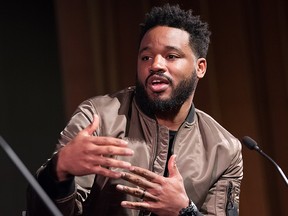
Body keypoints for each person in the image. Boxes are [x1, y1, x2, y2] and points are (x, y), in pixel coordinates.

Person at [26, 3, 243, 216]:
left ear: (200, 67)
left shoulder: (224, 149)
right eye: (146, 57)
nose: (155, 65)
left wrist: (184, 211)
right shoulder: (99, 117)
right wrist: (59, 170)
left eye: (171, 56)